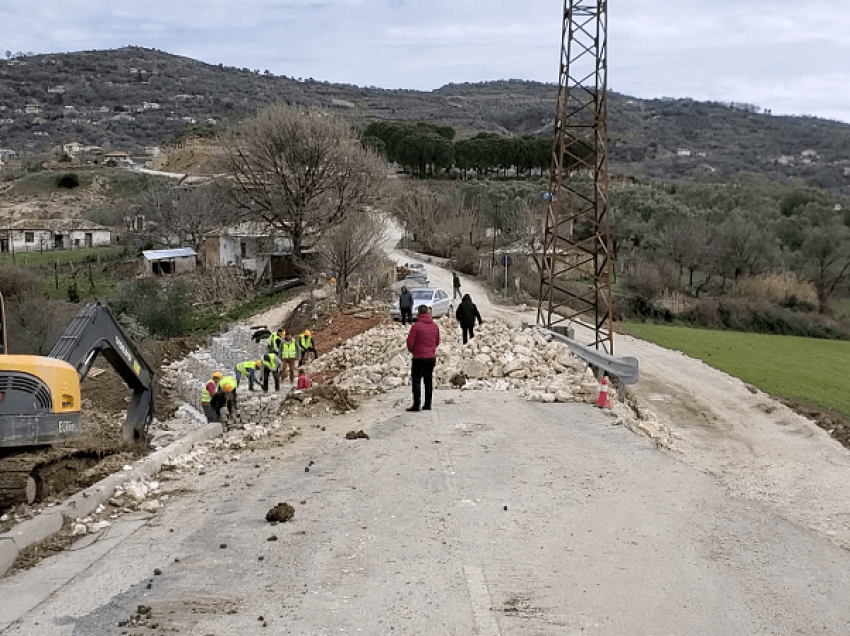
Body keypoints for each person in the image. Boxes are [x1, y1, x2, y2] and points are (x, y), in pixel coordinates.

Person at [406, 305, 440, 412]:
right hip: (431, 357)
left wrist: (413, 351)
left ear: (419, 313)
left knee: (416, 380)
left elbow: (410, 342)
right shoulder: (435, 326)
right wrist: (431, 349)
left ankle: (416, 405)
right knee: (428, 380)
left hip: (419, 357)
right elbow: (437, 341)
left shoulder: (416, 326)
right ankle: (428, 404)